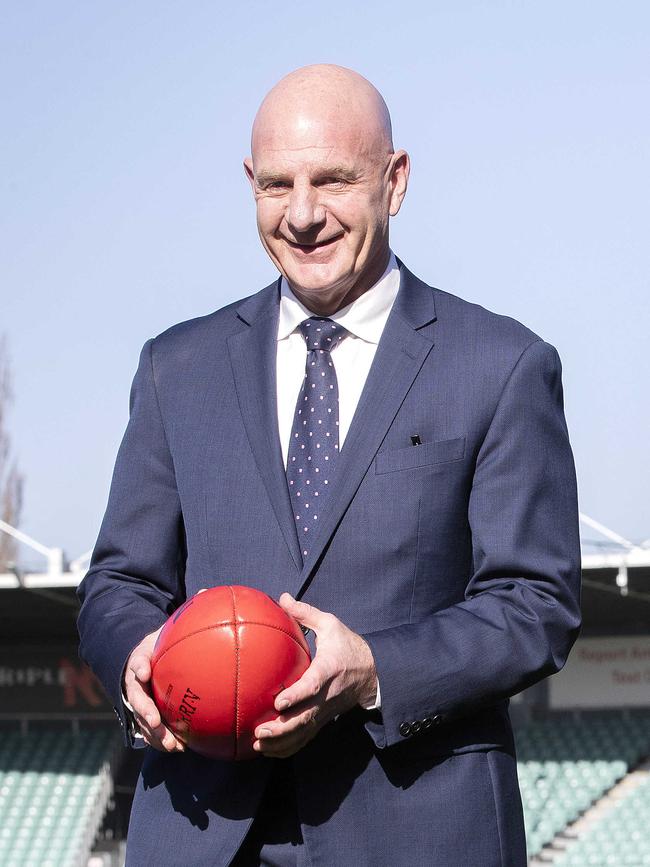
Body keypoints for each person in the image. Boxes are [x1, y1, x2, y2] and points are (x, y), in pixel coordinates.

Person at [77, 64, 581, 866]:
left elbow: (535, 602)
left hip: (421, 832)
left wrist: (376, 667)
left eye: (335, 180)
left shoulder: (502, 364)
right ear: (250, 182)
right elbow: (119, 583)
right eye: (278, 184)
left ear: (396, 179)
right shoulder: (177, 367)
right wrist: (139, 655)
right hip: (202, 830)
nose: (304, 214)